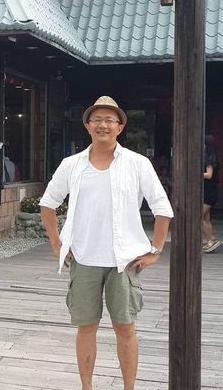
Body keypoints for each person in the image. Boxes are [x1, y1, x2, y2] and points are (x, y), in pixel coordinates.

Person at [40, 96, 173, 390]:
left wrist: (155, 250)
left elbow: (162, 207)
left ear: (120, 127)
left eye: (110, 120)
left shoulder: (138, 164)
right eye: (97, 119)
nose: (103, 125)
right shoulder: (71, 165)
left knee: (125, 327)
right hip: (84, 257)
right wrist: (57, 244)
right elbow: (48, 203)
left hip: (124, 261)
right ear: (88, 125)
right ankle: (86, 387)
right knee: (86, 327)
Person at [202, 135, 220, 253]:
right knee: (206, 218)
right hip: (209, 192)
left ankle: (211, 239)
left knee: (198, 216)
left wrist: (195, 172)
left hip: (209, 193)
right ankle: (211, 241)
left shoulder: (209, 159)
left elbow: (209, 175)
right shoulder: (211, 158)